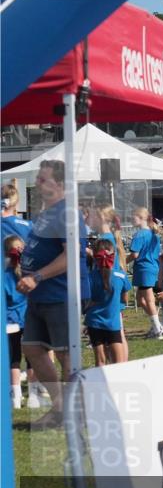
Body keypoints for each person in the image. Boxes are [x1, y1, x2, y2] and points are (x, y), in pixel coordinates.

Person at [15, 160, 90, 429]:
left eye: (43, 178)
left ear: (59, 184)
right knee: (32, 348)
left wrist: (36, 276)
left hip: (61, 294)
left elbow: (70, 255)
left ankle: (74, 412)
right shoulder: (45, 214)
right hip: (39, 295)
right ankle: (60, 407)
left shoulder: (67, 214)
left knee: (66, 355)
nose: (37, 182)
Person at [85, 239, 131, 366]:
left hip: (94, 322)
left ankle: (101, 386)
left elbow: (87, 300)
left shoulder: (89, 277)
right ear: (114, 255)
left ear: (95, 257)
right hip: (113, 322)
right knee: (119, 363)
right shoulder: (121, 276)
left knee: (100, 362)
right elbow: (125, 299)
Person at [127, 207, 163, 339]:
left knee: (148, 300)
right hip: (151, 267)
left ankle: (158, 329)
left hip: (144, 268)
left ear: (141, 218)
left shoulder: (139, 234)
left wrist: (122, 262)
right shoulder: (153, 234)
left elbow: (134, 254)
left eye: (134, 216)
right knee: (140, 299)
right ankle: (157, 325)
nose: (132, 218)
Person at [4, 236, 27, 408]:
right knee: (32, 357)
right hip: (28, 318)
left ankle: (15, 396)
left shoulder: (4, 276)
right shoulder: (29, 272)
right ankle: (34, 394)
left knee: (14, 359)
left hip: (10, 321)